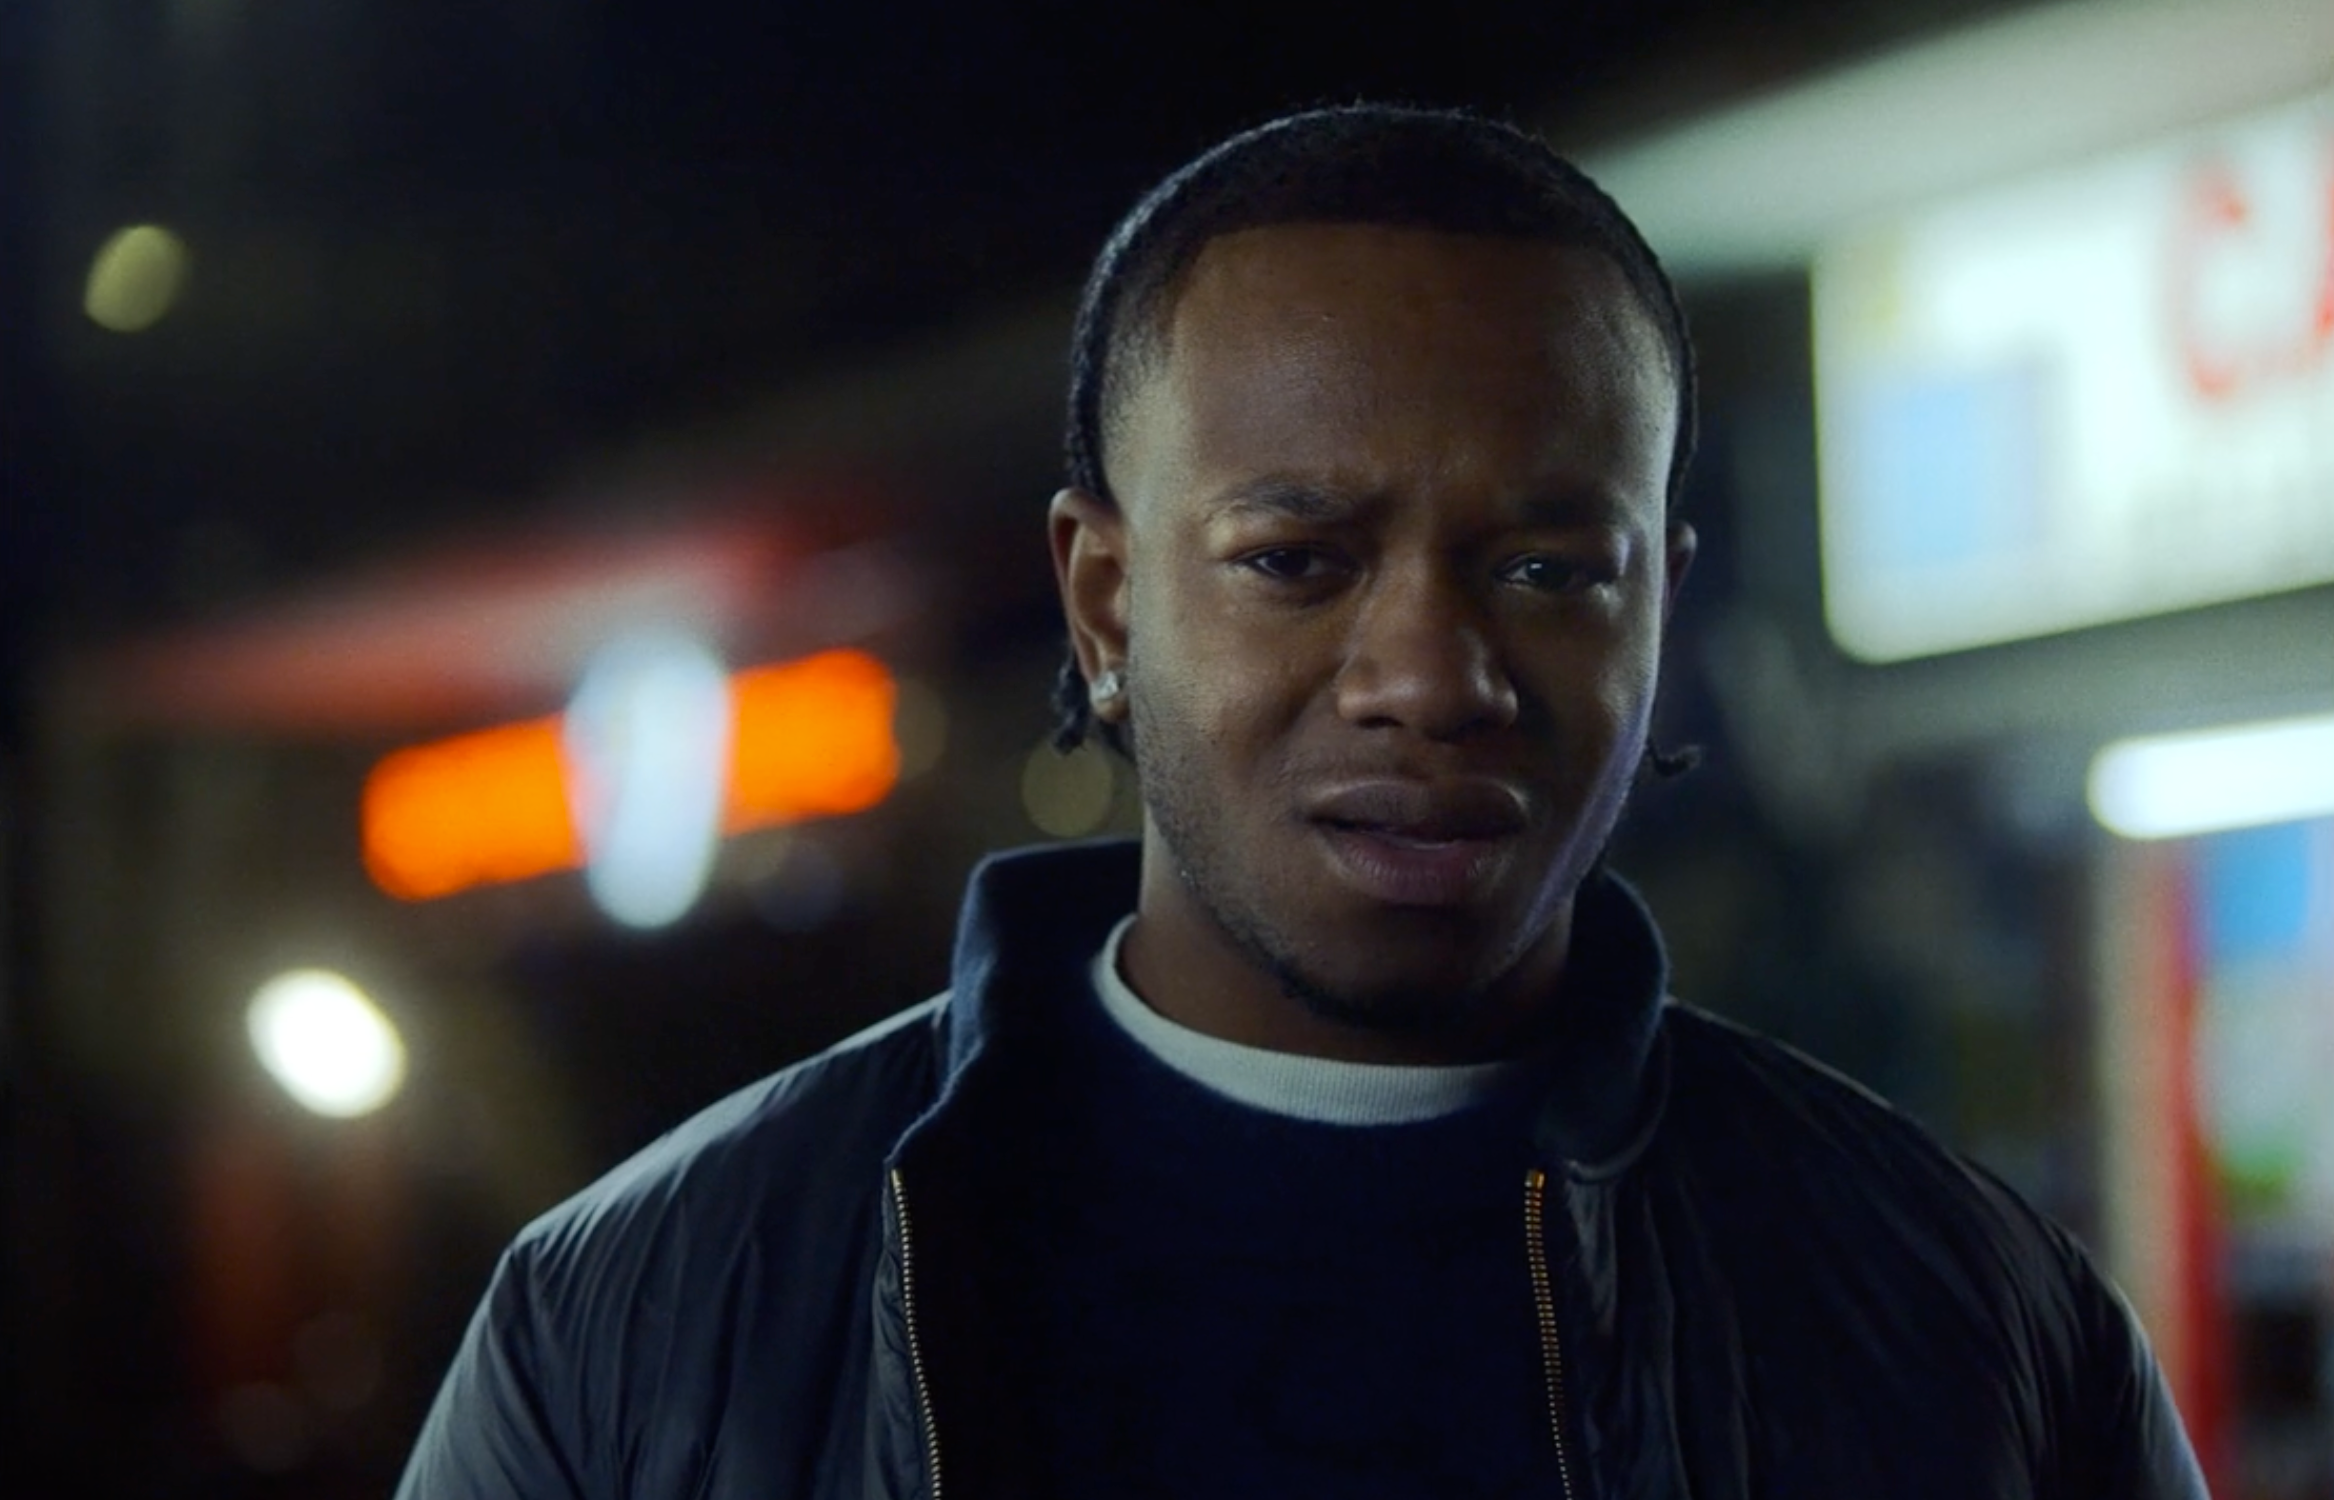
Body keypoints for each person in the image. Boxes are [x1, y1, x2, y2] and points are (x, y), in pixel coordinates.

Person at [397, 105, 2207, 1499]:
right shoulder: (631, 1322)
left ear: (1658, 605)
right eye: (1295, 560)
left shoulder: (1979, 1324)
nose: (1428, 676)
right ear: (1105, 604)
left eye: (1549, 571)